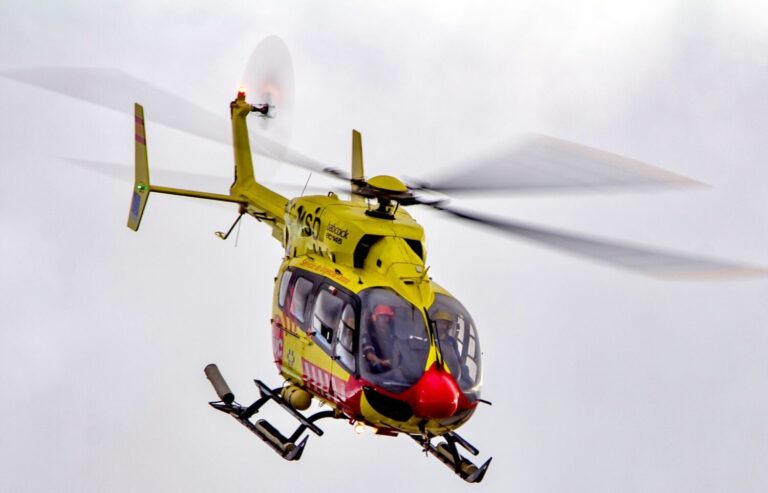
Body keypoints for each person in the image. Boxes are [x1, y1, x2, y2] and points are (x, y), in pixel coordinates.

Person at [362, 304, 395, 373]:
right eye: (382, 316)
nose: (385, 319)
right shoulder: (369, 333)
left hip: (391, 368)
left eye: (387, 317)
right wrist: (381, 362)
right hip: (375, 370)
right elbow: (369, 355)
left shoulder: (391, 334)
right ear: (375, 318)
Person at [433, 310, 462, 380]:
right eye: (439, 322)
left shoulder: (452, 341)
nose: (442, 325)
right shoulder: (428, 339)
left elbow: (458, 361)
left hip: (449, 375)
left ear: (448, 325)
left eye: (444, 323)